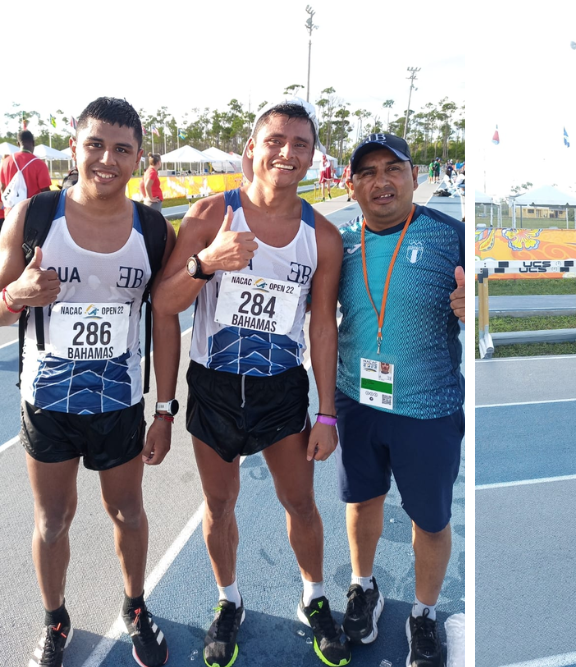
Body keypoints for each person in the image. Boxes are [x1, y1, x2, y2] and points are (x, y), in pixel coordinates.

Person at [151, 98, 350, 667]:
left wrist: (327, 413)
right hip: (213, 384)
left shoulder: (324, 239)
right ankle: (228, 599)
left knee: (300, 503)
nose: (287, 153)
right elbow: (165, 304)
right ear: (252, 149)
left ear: (313, 158)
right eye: (276, 141)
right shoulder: (211, 216)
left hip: (280, 389)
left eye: (301, 145)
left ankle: (314, 596)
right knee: (219, 502)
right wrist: (205, 263)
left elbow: (322, 330)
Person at [0, 97, 179, 667]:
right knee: (52, 520)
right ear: (74, 148)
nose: (107, 158)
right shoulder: (33, 217)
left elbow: (167, 318)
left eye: (122, 149)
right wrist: (13, 298)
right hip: (46, 402)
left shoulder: (153, 229)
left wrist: (166, 409)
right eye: (95, 144)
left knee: (127, 512)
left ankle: (134, 606)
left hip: (119, 403)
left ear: (138, 158)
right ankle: (55, 620)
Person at [337, 133, 464, 667]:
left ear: (416, 177)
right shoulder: (339, 243)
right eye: (367, 172)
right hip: (356, 401)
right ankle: (363, 586)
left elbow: (485, 301)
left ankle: (423, 614)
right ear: (352, 185)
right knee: (361, 501)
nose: (381, 181)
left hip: (427, 410)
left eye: (393, 169)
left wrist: (472, 309)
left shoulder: (451, 237)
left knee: (430, 521)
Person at [0, 130, 52, 227]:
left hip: (10, 213)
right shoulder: (39, 164)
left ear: (18, 144)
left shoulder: (6, 162)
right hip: (32, 214)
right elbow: (46, 192)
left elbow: (3, 188)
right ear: (33, 143)